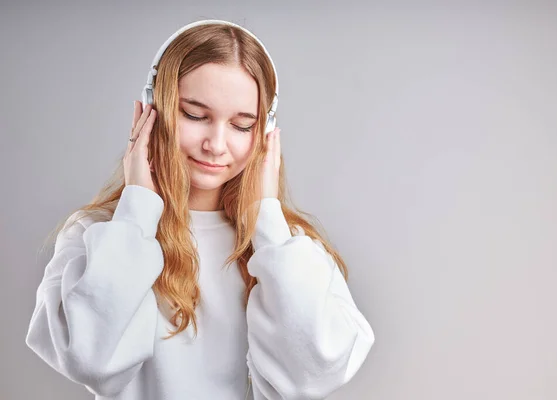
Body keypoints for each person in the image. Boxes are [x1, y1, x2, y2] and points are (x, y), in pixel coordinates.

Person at [25, 19, 375, 400]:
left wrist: (268, 221)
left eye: (243, 125)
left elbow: (314, 374)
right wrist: (138, 211)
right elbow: (90, 361)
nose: (216, 144)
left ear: (266, 133)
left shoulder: (288, 246)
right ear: (153, 111)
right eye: (194, 115)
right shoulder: (100, 232)